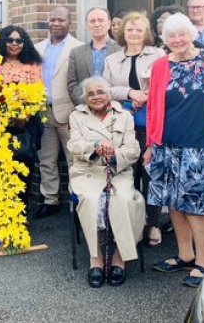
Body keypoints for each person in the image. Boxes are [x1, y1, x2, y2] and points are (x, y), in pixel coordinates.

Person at [145, 13, 204, 289]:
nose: (177, 40)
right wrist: (150, 144)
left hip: (198, 144)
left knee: (196, 206)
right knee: (173, 202)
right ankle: (185, 254)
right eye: (171, 35)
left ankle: (203, 260)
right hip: (166, 143)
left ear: (193, 34)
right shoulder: (160, 65)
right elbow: (153, 106)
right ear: (164, 39)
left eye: (182, 34)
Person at [68, 77, 144, 288]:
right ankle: (96, 258)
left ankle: (120, 256)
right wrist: (95, 145)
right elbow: (74, 144)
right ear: (85, 98)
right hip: (88, 172)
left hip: (118, 172)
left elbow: (133, 148)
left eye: (100, 92)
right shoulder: (76, 115)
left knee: (126, 201)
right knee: (90, 201)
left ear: (109, 94)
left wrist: (114, 155)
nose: (96, 97)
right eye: (90, 94)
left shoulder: (124, 115)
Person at [102, 12, 165, 246]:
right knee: (128, 175)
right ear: (122, 33)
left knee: (151, 175)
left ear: (146, 32)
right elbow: (106, 90)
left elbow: (164, 83)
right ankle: (131, 224)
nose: (134, 33)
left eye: (139, 29)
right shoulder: (112, 60)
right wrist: (130, 93)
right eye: (130, 29)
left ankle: (153, 223)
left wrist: (145, 96)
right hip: (123, 126)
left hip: (151, 125)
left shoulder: (158, 55)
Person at [34, 6, 84, 218]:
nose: (56, 23)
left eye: (61, 20)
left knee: (74, 159)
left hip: (68, 112)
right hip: (43, 111)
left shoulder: (78, 48)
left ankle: (77, 200)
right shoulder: (37, 48)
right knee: (47, 159)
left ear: (69, 23)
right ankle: (50, 200)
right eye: (52, 19)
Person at [0, 24, 44, 163]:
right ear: (3, 42)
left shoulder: (32, 66)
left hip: (26, 125)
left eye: (19, 41)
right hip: (0, 124)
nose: (14, 44)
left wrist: (24, 115)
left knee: (24, 166)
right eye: (10, 40)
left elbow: (39, 94)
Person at [67, 7, 121, 106]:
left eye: (100, 20)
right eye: (92, 21)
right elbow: (72, 84)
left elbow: (124, 81)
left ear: (109, 23)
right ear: (87, 25)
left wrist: (111, 105)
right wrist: (87, 104)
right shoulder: (76, 53)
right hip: (85, 108)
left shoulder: (121, 50)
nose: (96, 24)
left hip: (114, 107)